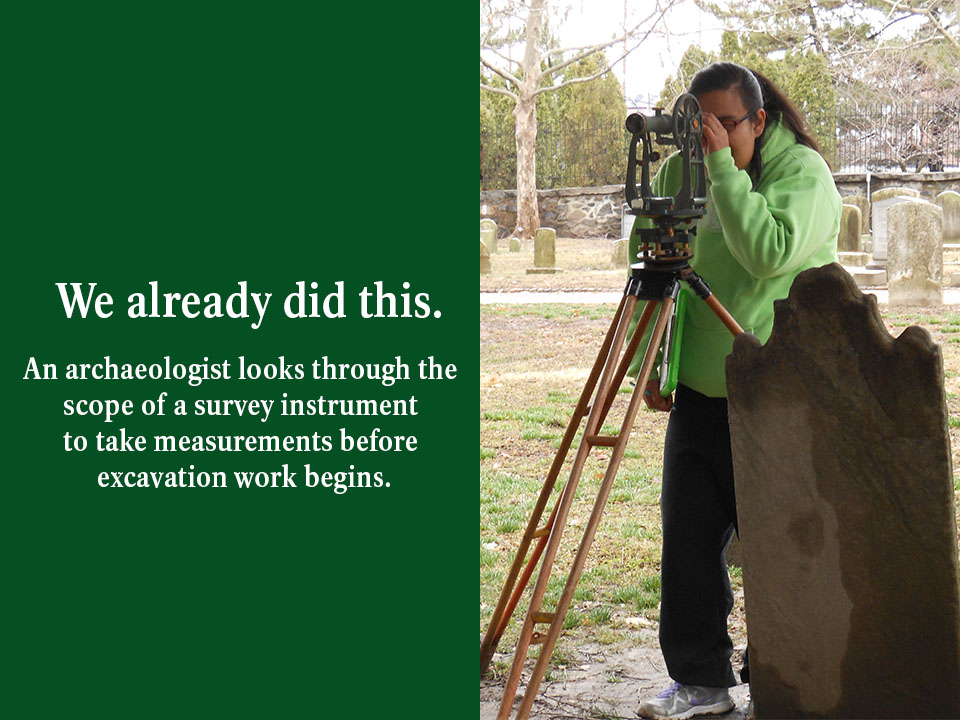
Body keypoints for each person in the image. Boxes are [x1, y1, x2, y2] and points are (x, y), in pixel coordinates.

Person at [628, 62, 841, 720]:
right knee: (687, 543)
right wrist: (652, 368)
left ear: (760, 120)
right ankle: (702, 683)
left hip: (780, 394)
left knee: (780, 548)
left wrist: (721, 170)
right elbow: (652, 272)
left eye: (725, 124)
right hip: (699, 390)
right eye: (699, 125)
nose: (710, 137)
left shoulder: (802, 175)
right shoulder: (676, 175)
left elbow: (767, 254)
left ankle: (784, 682)